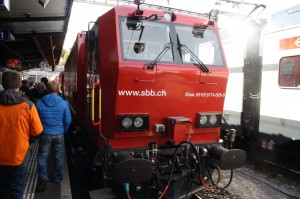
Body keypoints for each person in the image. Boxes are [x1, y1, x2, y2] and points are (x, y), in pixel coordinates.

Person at [0, 71, 43, 199]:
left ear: (3, 84)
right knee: (17, 189)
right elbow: (37, 132)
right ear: (19, 85)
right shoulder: (28, 105)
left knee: (2, 188)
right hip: (20, 155)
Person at [35, 80, 72, 192]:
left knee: (42, 156)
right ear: (58, 89)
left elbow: (36, 120)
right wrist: (63, 130)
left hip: (45, 133)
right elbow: (68, 120)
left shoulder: (40, 103)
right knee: (59, 156)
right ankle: (57, 177)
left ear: (47, 89)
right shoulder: (63, 103)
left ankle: (43, 177)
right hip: (59, 133)